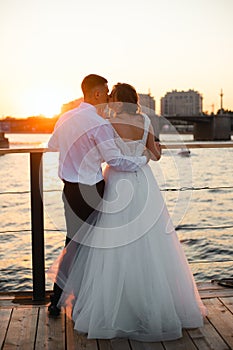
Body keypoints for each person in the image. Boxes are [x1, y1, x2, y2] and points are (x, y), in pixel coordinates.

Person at [47, 83, 207, 342]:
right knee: (152, 241)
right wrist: (146, 155)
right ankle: (155, 304)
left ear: (117, 101)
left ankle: (101, 303)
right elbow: (155, 155)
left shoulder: (107, 123)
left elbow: (106, 156)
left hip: (115, 183)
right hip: (143, 182)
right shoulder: (144, 120)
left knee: (110, 243)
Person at [47, 75, 149, 316]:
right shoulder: (99, 124)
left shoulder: (65, 117)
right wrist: (141, 161)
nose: (107, 97)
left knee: (72, 242)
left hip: (69, 189)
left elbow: (52, 144)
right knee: (95, 247)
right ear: (95, 94)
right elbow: (115, 160)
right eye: (105, 92)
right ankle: (88, 303)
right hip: (91, 191)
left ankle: (57, 299)